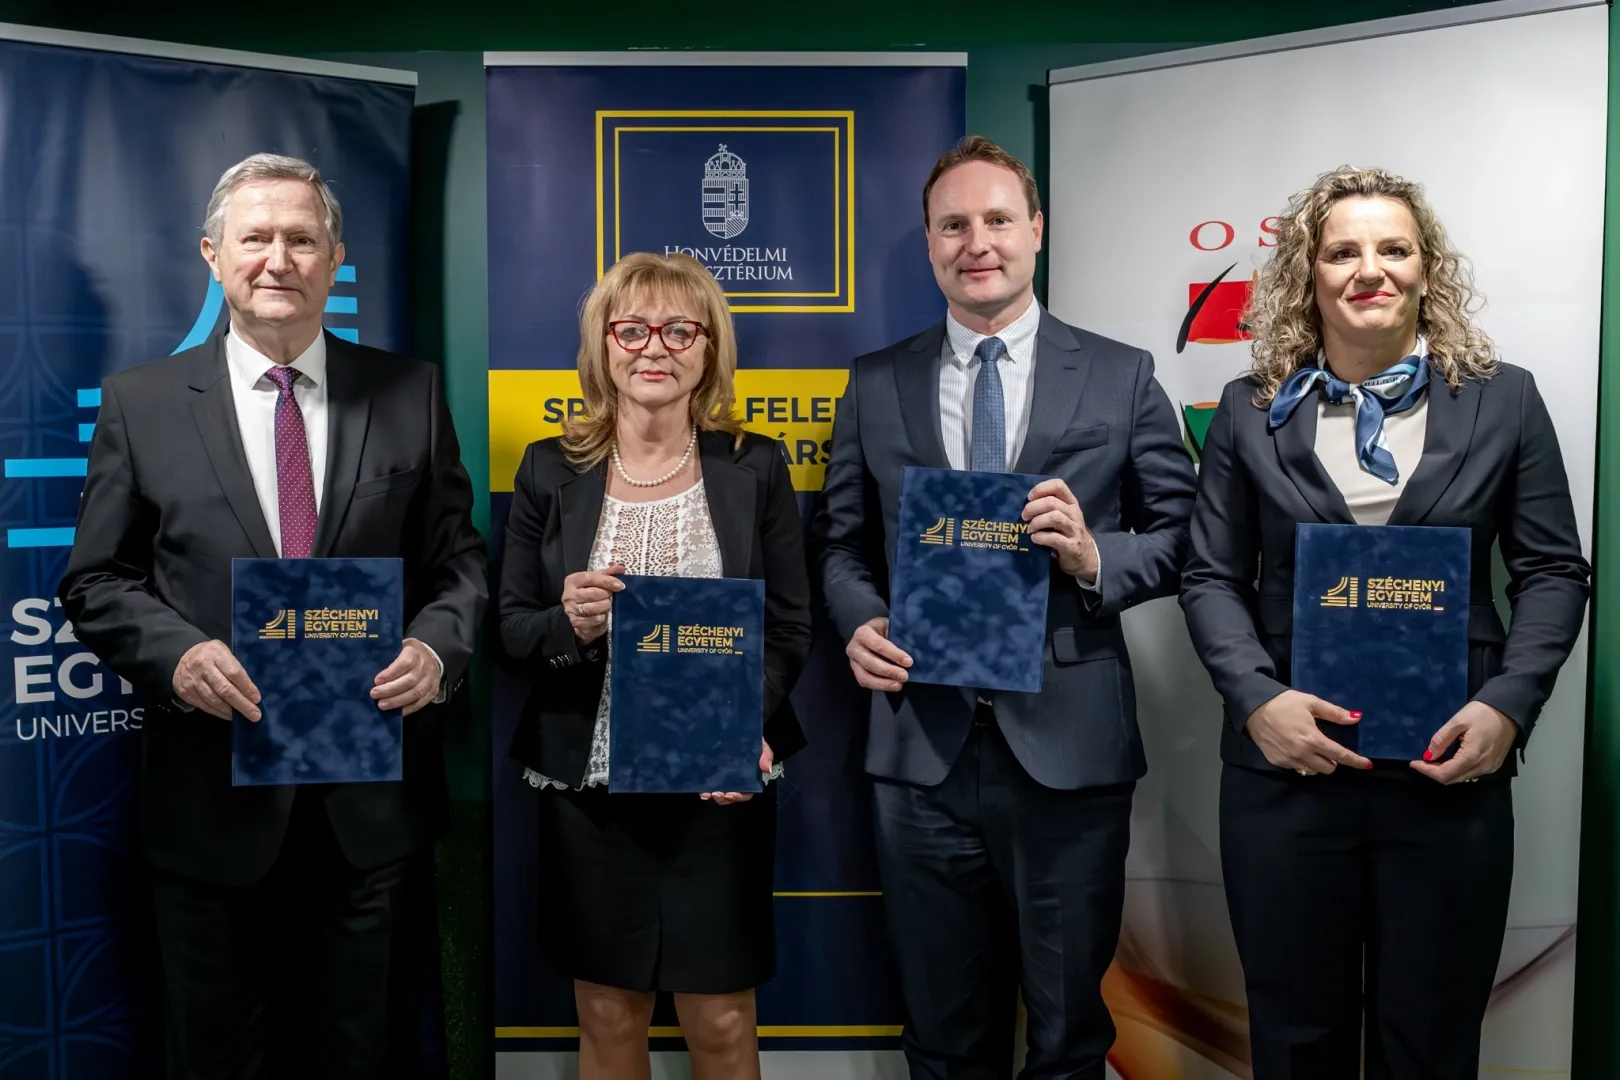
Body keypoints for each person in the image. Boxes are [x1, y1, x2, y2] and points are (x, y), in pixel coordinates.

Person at [58, 153, 487, 1080]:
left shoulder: (407, 391)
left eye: (301, 239)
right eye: (256, 238)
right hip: (209, 801)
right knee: (216, 1059)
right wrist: (174, 656)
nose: (277, 258)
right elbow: (95, 580)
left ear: (335, 260)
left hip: (369, 808)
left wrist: (437, 647)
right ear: (214, 256)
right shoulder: (144, 402)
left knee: (362, 1055)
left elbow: (461, 565)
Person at [1179, 166, 1591, 1078]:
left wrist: (1509, 706)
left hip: (1448, 770)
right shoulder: (1250, 412)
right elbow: (1209, 576)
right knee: (1295, 1040)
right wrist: (1256, 700)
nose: (1370, 269)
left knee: (1432, 1042)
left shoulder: (1505, 397)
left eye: (1394, 248)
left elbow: (1554, 570)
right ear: (1308, 274)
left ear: (1426, 268)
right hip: (1285, 775)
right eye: (1343, 251)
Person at [814, 135, 1197, 1078]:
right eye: (953, 224)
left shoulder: (1121, 372)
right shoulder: (875, 382)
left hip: (1068, 751)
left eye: (995, 220)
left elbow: (1189, 537)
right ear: (931, 241)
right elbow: (841, 542)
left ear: (1036, 230)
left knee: (1070, 1037)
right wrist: (860, 618)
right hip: (921, 745)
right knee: (945, 1036)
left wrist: (1093, 553)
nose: (975, 241)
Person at [500, 251, 811, 1080]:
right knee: (605, 1016)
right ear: (603, 346)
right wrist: (568, 620)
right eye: (631, 328)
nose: (654, 348)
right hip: (590, 790)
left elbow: (788, 627)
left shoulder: (757, 466)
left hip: (719, 783)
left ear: (709, 350)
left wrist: (745, 722)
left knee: (720, 1021)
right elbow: (509, 628)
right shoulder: (546, 469)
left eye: (680, 329)